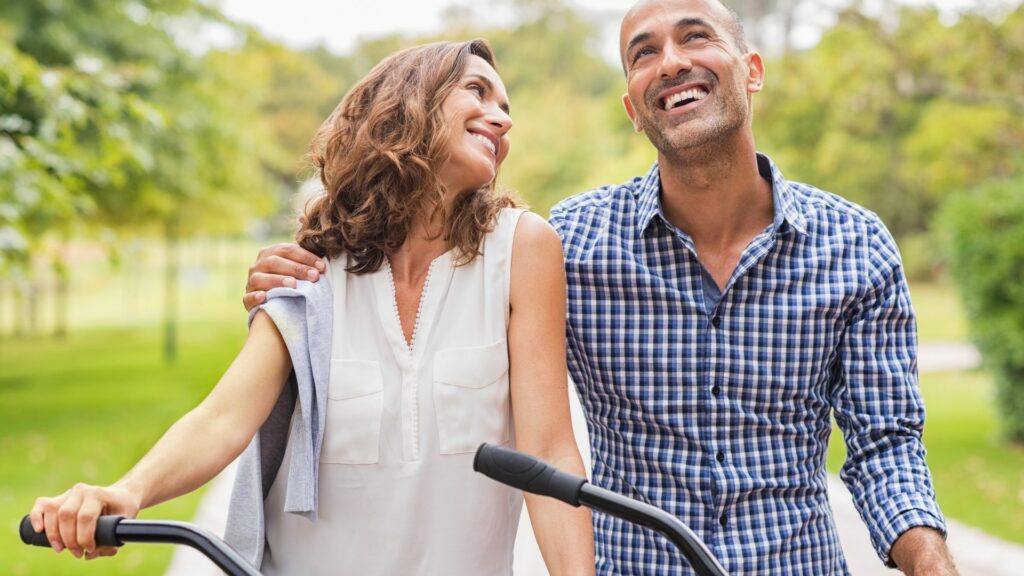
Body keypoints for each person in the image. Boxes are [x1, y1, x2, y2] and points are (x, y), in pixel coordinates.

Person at [245, 1, 961, 574]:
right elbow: (430, 275)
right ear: (633, 106)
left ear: (751, 69)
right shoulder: (570, 244)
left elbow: (885, 445)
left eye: (694, 37)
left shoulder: (856, 244)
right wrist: (308, 271)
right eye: (642, 53)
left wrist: (931, 564)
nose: (670, 61)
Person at [29, 39, 595, 575]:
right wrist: (127, 491)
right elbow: (225, 416)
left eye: (505, 105)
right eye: (477, 91)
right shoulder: (312, 267)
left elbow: (549, 452)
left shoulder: (521, 248)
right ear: (407, 103)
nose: (502, 117)